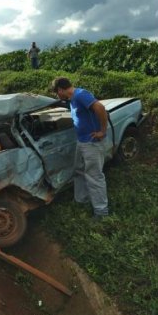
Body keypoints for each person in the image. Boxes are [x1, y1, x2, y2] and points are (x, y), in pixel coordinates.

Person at [50, 77, 111, 219]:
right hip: (82, 142)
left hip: (92, 143)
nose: (57, 95)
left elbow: (100, 108)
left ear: (60, 90)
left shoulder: (80, 95)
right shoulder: (73, 98)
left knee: (94, 176)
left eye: (56, 93)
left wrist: (102, 130)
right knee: (79, 170)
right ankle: (82, 199)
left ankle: (101, 212)